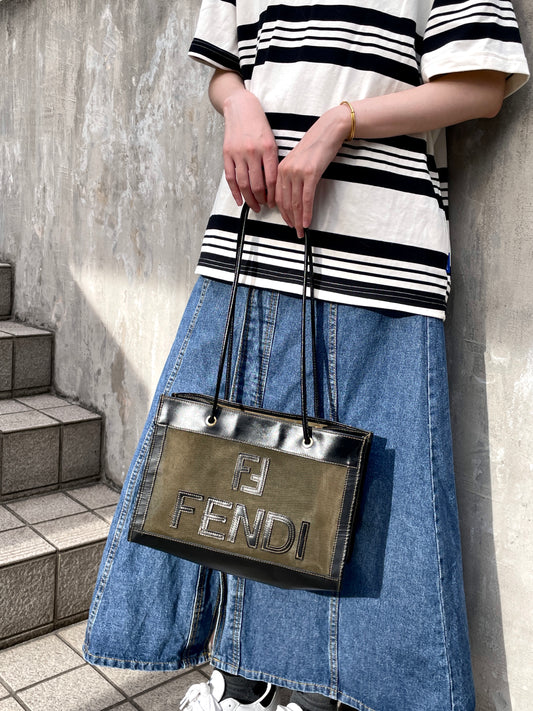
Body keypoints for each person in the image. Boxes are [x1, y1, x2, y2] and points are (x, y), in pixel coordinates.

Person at [83, 2, 529, 710]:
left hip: (380, 260)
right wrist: (237, 106)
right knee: (235, 483)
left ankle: (316, 696)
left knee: (355, 505)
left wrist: (340, 122)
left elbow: (479, 86)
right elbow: (226, 69)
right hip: (249, 240)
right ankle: (241, 681)